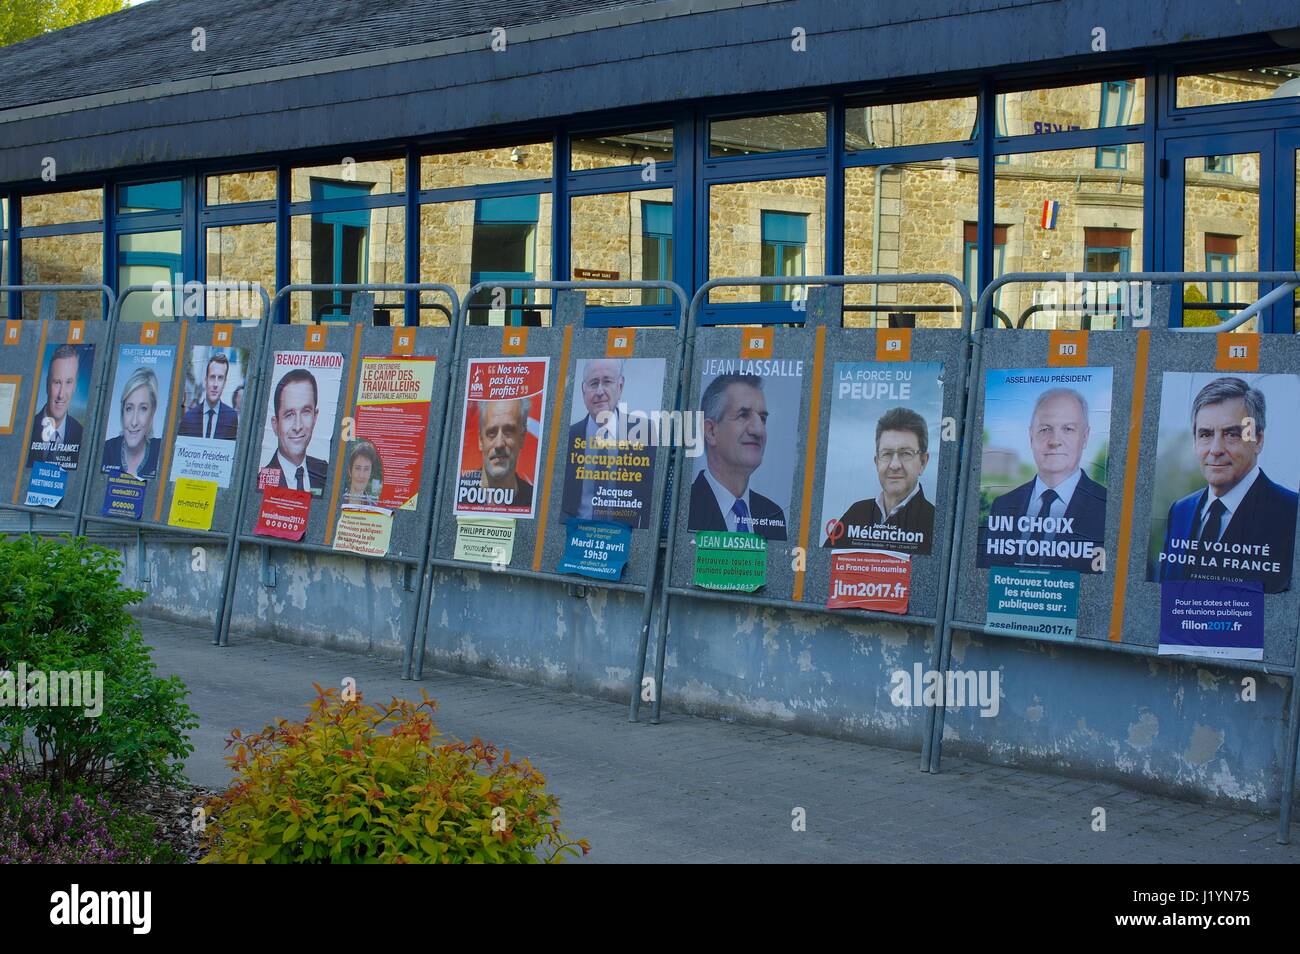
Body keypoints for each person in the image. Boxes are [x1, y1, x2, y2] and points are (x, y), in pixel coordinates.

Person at [1159, 376, 1297, 594]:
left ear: (1258, 440)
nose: (1215, 449)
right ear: (1195, 441)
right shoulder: (1180, 511)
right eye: (1205, 434)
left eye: (1231, 434)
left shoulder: (1291, 512)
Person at [987, 387, 1106, 571]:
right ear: (1031, 436)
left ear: (1085, 437)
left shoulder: (1107, 507)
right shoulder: (1002, 506)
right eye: (1044, 429)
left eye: (1068, 429)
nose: (1054, 440)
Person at [688, 373, 787, 540]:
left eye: (762, 419)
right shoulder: (687, 507)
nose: (758, 430)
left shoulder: (773, 514)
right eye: (743, 415)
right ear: (711, 431)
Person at [560, 358, 656, 528]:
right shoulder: (567, 437)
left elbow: (650, 499)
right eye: (593, 383)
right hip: (577, 536)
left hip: (623, 539)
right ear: (583, 390)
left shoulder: (645, 432)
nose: (599, 391)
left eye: (607, 382)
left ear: (620, 386)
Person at [824, 406, 934, 553]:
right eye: (887, 454)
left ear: (923, 462)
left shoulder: (934, 523)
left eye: (906, 453)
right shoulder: (856, 513)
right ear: (876, 461)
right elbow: (824, 565)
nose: (894, 465)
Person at [261, 368, 328, 494]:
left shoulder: (325, 472)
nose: (298, 426)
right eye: (289, 414)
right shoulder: (262, 480)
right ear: (275, 425)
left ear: (315, 417)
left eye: (306, 411)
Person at [461, 398, 533, 510]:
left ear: (522, 437)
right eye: (491, 432)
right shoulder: (455, 494)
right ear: (480, 440)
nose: (499, 444)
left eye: (509, 431)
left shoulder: (535, 502)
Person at [28, 344, 85, 468]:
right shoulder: (27, 428)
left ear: (75, 386)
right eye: (57, 382)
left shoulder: (81, 434)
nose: (61, 394)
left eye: (68, 382)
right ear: (47, 384)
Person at [102, 367, 163, 479]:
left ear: (153, 411)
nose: (134, 422)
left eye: (143, 408)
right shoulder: (106, 451)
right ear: (122, 411)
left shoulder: (162, 452)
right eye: (129, 408)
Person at [179, 352, 239, 440]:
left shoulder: (231, 417)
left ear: (225, 383)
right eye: (212, 377)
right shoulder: (189, 417)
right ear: (205, 380)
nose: (215, 384)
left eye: (220, 378)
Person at [343, 439, 382, 506]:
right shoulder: (337, 500)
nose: (361, 475)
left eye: (366, 469)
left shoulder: (374, 507)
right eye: (357, 468)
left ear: (371, 472)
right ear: (350, 471)